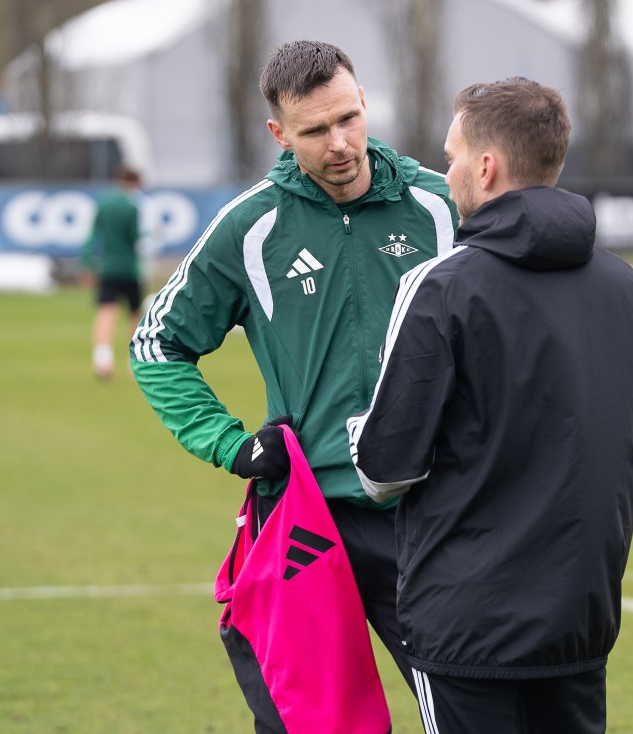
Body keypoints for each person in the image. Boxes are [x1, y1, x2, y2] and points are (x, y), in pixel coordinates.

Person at [129, 40, 458, 728]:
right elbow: (156, 342)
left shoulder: (440, 205)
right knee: (308, 724)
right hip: (313, 525)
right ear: (279, 133)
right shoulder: (252, 227)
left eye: (347, 118)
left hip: (437, 518)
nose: (339, 143)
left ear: (364, 102)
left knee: (469, 716)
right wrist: (231, 446)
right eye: (314, 130)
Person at [347, 77, 633, 734]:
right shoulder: (626, 287)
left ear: (486, 168)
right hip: (580, 619)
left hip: (466, 628)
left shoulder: (440, 285)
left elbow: (384, 469)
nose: (447, 169)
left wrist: (357, 431)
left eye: (453, 153)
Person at [80, 165, 144, 379]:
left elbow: (93, 236)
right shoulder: (132, 207)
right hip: (130, 268)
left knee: (106, 312)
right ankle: (134, 361)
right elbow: (135, 238)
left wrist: (87, 263)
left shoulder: (104, 204)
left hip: (107, 267)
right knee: (135, 314)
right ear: (135, 182)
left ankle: (102, 359)